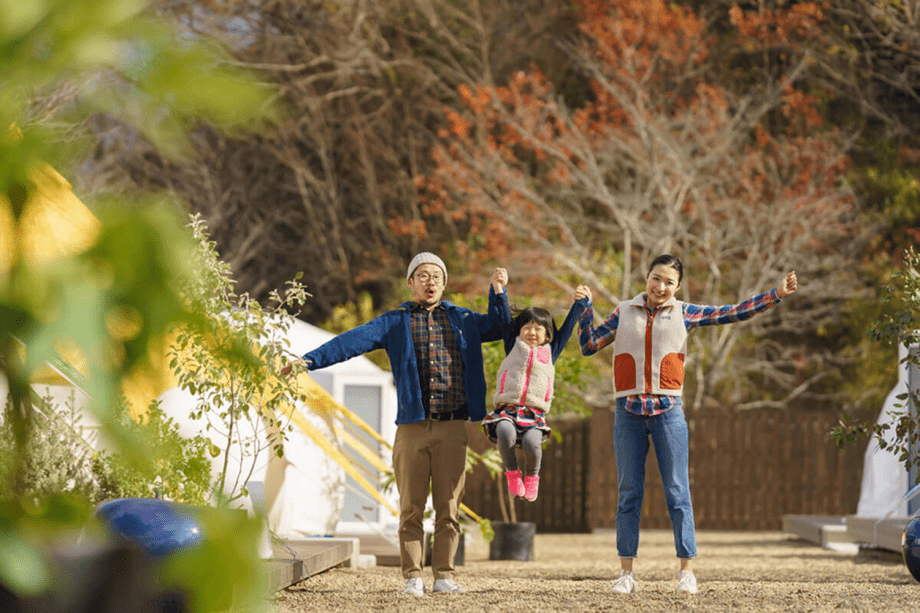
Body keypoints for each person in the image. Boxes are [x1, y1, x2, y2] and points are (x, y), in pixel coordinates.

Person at [283, 253, 511, 597]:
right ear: (410, 283)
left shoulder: (464, 319)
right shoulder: (394, 322)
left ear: (444, 283)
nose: (430, 281)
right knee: (410, 507)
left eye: (436, 275)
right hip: (411, 427)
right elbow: (351, 341)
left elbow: (500, 327)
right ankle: (413, 576)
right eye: (422, 275)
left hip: (452, 426)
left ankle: (445, 575)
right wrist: (309, 359)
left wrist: (498, 293)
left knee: (449, 507)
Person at [578, 254, 797, 596]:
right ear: (646, 278)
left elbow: (733, 312)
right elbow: (589, 344)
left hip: (668, 413)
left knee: (678, 491)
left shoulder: (686, 312)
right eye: (656, 278)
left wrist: (775, 294)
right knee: (629, 494)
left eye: (669, 282)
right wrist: (584, 309)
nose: (660, 287)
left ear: (678, 287)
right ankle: (625, 573)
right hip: (629, 413)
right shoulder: (623, 311)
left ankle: (686, 572)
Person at [481, 286, 591, 502]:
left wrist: (580, 303)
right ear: (519, 330)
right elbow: (505, 318)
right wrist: (500, 290)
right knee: (504, 431)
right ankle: (513, 474)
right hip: (508, 409)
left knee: (532, 443)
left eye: (539, 329)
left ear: (548, 335)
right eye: (527, 327)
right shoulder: (513, 345)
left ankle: (532, 478)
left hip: (534, 414)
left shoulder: (552, 351)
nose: (532, 332)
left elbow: (568, 327)